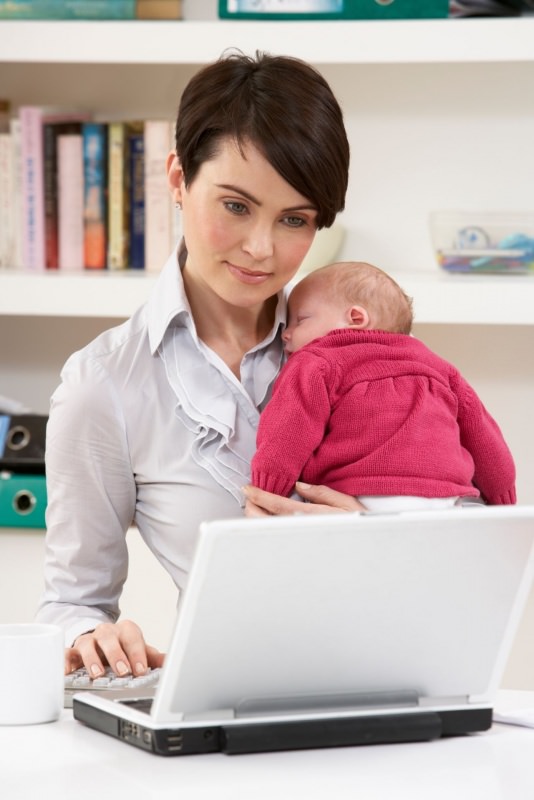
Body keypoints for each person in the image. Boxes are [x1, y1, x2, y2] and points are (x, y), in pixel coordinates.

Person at [36, 51, 362, 679]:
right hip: (222, 711)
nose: (261, 249)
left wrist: (373, 539)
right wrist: (89, 637)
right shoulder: (103, 384)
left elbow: (451, 533)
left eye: (294, 220)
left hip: (388, 692)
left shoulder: (362, 350)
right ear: (179, 179)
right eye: (236, 206)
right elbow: (70, 600)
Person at [251, 261, 516, 510]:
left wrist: (269, 488)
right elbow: (484, 436)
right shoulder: (441, 367)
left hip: (362, 494)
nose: (286, 333)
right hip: (445, 497)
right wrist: (502, 497)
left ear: (356, 318)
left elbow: (289, 428)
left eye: (300, 319)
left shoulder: (317, 361)